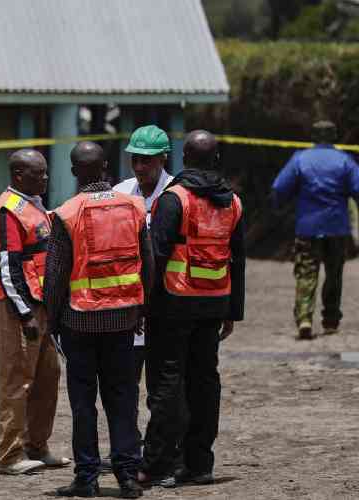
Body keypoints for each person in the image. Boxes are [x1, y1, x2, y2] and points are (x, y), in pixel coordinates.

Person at [45, 141, 154, 498]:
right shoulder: (134, 206)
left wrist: (51, 319)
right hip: (123, 319)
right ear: (106, 166)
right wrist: (142, 308)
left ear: (75, 172)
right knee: (123, 399)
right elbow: (148, 263)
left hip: (79, 322)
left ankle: (88, 478)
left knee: (83, 403)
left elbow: (57, 274)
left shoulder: (66, 213)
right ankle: (126, 476)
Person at [139, 130, 246, 487]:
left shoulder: (174, 199)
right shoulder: (233, 201)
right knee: (205, 382)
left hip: (173, 301)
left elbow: (156, 257)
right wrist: (233, 311)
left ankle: (156, 465)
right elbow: (238, 261)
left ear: (183, 157)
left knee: (167, 383)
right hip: (214, 301)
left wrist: (143, 305)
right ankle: (199, 464)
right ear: (216, 159)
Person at [0, 149, 69, 475]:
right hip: (14, 309)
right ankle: (10, 455)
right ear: (19, 176)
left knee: (48, 377)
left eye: (46, 173)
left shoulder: (34, 206)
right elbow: (9, 267)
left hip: (41, 305)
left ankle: (38, 445)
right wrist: (25, 314)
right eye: (39, 174)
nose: (45, 179)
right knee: (15, 382)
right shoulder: (7, 212)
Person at [113, 124, 174, 443]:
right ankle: (127, 447)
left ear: (164, 158)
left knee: (163, 387)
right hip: (129, 305)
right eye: (135, 159)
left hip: (166, 304)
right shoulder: (120, 193)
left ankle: (160, 449)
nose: (139, 167)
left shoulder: (177, 194)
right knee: (124, 383)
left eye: (146, 160)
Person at [271, 120, 359, 339]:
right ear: (335, 137)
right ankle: (330, 320)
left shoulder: (300, 159)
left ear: (312, 136)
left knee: (306, 273)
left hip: (307, 227)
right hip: (337, 228)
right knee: (334, 274)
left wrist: (280, 206)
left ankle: (304, 318)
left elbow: (279, 188)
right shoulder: (345, 161)